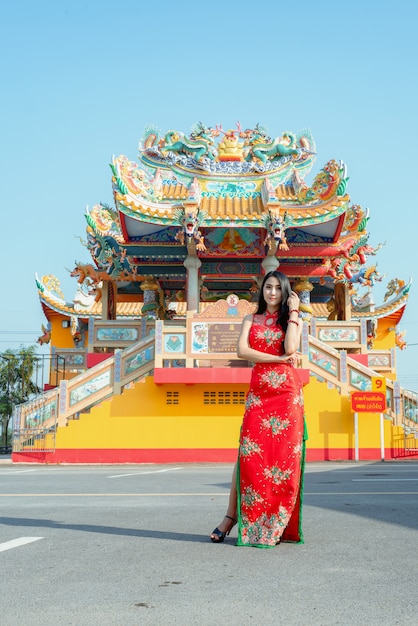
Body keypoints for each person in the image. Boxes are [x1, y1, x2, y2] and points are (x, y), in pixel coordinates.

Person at [210, 270, 306, 548]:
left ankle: (276, 522)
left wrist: (295, 312)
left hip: (287, 394)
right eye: (268, 287)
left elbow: (291, 346)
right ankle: (232, 517)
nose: (272, 292)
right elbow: (243, 351)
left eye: (278, 288)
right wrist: (278, 359)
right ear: (262, 290)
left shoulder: (293, 321)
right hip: (260, 394)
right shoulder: (250, 319)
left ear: (285, 292)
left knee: (283, 460)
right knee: (248, 454)